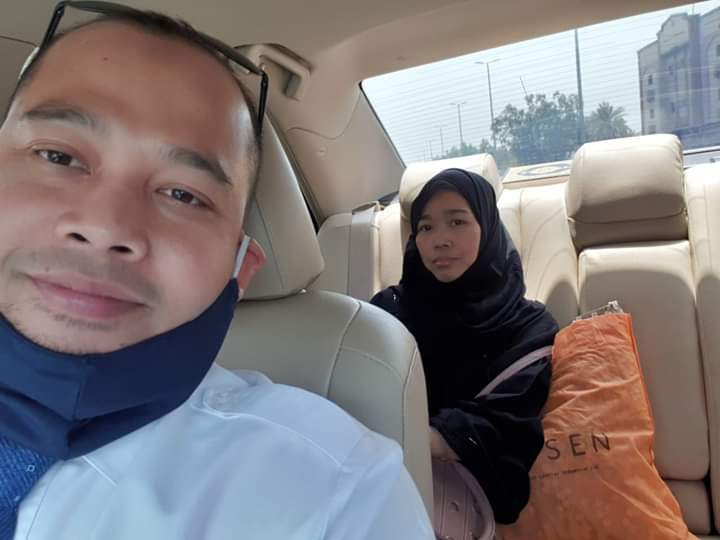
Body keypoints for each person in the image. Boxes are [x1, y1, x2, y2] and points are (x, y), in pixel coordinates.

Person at [0, 4, 432, 539]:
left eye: (183, 194)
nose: (105, 226)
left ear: (240, 269)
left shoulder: (337, 497)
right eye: (57, 157)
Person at [372, 168, 558, 525]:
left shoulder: (529, 327)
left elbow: (508, 424)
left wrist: (424, 439)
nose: (439, 240)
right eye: (425, 227)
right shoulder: (386, 312)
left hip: (461, 508)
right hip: (377, 490)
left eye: (457, 222)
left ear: (486, 228)